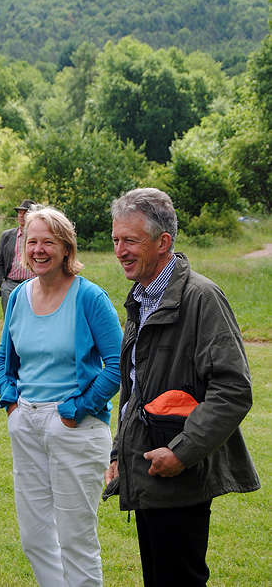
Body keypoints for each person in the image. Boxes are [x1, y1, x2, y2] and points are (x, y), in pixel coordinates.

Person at [105, 188, 260, 587]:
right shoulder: (142, 296)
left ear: (163, 242)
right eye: (116, 240)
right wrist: (119, 452)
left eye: (130, 240)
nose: (120, 251)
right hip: (146, 463)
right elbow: (135, 386)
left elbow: (233, 389)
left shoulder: (201, 298)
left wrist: (181, 453)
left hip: (178, 470)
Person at [0, 205, 122, 587]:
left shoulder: (90, 297)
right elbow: (4, 359)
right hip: (26, 423)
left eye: (48, 242)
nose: (38, 250)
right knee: (35, 539)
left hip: (74, 428)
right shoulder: (19, 296)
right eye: (32, 242)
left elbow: (119, 364)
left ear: (67, 247)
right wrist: (12, 403)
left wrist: (78, 408)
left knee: (75, 541)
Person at [0, 198, 36, 315]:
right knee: (10, 318)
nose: (21, 216)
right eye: (20, 213)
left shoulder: (39, 236)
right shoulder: (7, 235)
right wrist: (3, 283)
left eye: (25, 213)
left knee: (32, 317)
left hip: (34, 284)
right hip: (10, 285)